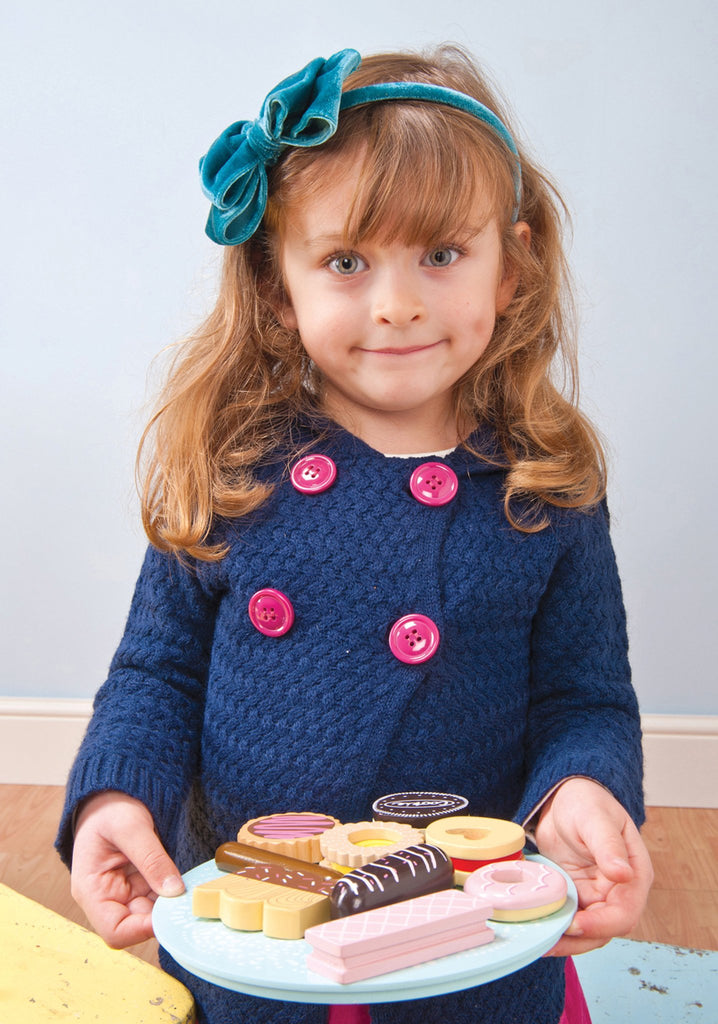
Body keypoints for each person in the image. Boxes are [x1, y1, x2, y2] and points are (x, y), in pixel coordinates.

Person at [56, 45, 653, 1024]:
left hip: (464, 952)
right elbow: (152, 677)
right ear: (278, 289)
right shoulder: (231, 467)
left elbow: (583, 698)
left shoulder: (546, 492)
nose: (397, 302)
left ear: (514, 264)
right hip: (255, 943)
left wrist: (581, 792)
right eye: (345, 262)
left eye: (441, 254)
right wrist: (115, 800)